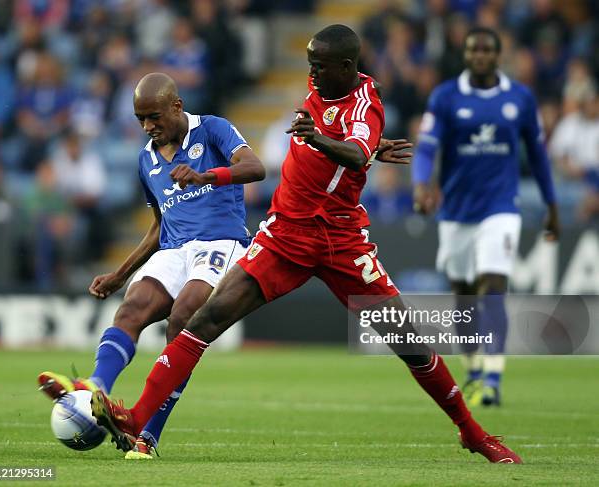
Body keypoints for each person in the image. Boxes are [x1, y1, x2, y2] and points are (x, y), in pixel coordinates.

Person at [90, 25, 522, 464]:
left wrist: (344, 143)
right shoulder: (324, 93)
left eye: (319, 66)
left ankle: (472, 431)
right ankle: (138, 419)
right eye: (310, 64)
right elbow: (348, 151)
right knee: (204, 320)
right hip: (285, 235)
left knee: (407, 340)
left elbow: (351, 150)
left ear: (346, 67)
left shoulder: (365, 104)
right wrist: (366, 147)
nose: (311, 73)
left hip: (340, 241)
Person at [37, 72, 266, 459]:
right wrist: (120, 274)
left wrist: (205, 175)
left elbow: (255, 167)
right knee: (130, 308)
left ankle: (148, 434)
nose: (149, 127)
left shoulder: (212, 129)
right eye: (141, 119)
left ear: (177, 105)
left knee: (182, 320)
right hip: (174, 249)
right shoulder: (146, 158)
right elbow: (159, 226)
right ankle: (95, 387)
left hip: (220, 242)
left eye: (155, 117)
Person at [411, 27, 559, 407]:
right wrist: (420, 184)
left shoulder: (519, 98)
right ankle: (474, 369)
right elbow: (427, 148)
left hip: (501, 208)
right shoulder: (446, 96)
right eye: (473, 49)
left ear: (498, 55)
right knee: (462, 294)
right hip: (457, 211)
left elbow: (539, 156)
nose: (479, 55)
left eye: (487, 50)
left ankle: (493, 375)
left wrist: (552, 204)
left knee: (493, 285)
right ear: (465, 55)